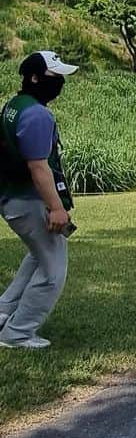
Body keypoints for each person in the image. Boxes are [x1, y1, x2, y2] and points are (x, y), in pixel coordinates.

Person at [0, 51, 79, 349]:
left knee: (38, 257)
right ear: (35, 77)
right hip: (29, 201)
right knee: (52, 272)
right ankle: (17, 334)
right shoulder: (37, 115)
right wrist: (57, 208)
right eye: (54, 76)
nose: (59, 83)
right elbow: (38, 167)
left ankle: (4, 311)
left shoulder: (15, 105)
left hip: (13, 197)